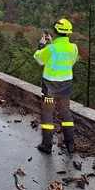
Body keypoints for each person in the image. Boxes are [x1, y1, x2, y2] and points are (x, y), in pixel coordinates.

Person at [33, 18, 79, 154]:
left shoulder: (51, 49)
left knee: (48, 114)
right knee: (66, 113)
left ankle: (47, 145)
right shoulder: (74, 48)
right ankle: (70, 143)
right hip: (66, 86)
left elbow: (38, 59)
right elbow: (71, 61)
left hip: (50, 87)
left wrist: (42, 45)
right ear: (69, 33)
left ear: (55, 31)